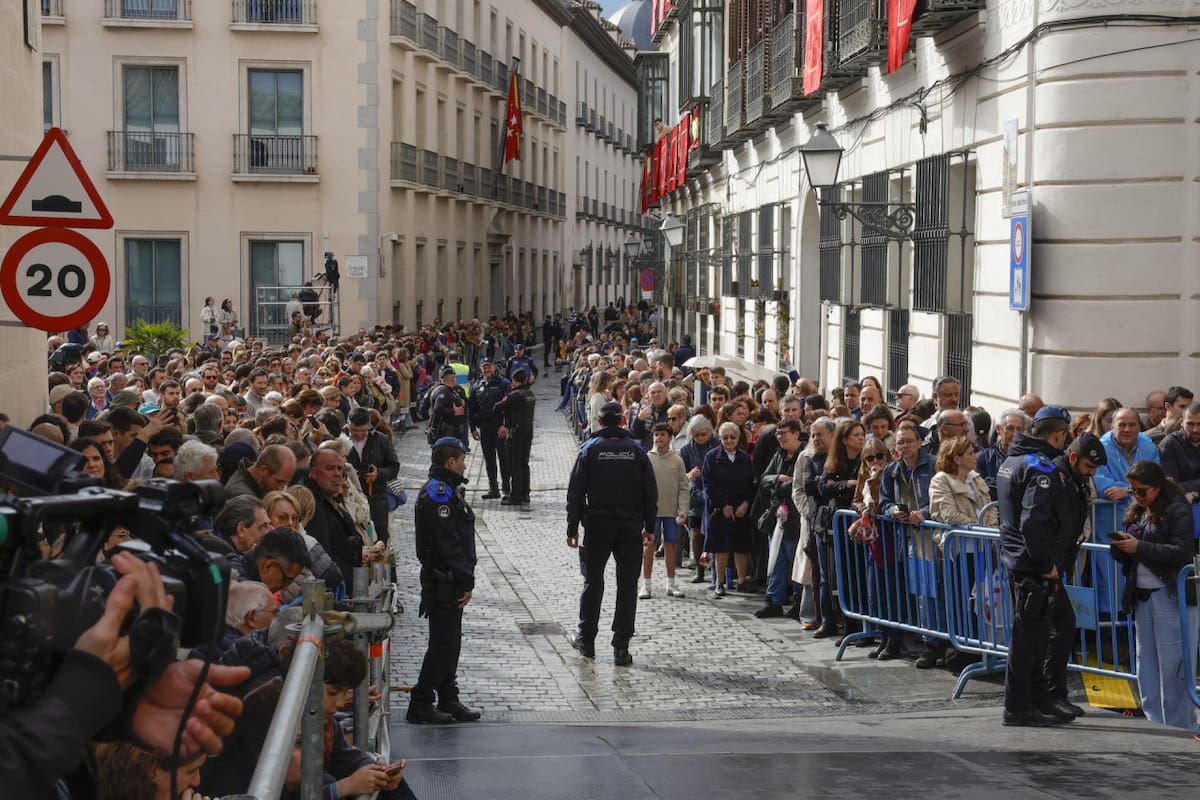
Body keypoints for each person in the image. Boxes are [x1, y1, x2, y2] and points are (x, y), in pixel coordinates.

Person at [997, 407, 1101, 727]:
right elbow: (1032, 524)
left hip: (1021, 561)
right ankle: (1018, 707)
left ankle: (1038, 700)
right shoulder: (1038, 468)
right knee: (1028, 641)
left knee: (1039, 636)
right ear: (1058, 435)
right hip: (1032, 565)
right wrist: (1046, 565)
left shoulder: (1013, 460)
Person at [566, 401, 657, 666]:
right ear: (623, 421)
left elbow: (575, 492)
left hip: (597, 526)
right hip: (630, 527)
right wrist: (649, 527)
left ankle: (587, 640)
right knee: (627, 585)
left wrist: (572, 528)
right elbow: (650, 493)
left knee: (593, 582)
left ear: (600, 421)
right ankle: (621, 646)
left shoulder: (589, 450)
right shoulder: (637, 451)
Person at [1110, 460, 1198, 733]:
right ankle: (1154, 723)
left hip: (1172, 596)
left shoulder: (1177, 508)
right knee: (1145, 662)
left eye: (1142, 491)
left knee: (1173, 663)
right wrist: (1121, 547)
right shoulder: (1138, 510)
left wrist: (1139, 547)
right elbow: (1138, 551)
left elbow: (1181, 552)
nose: (1136, 495)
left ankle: (1178, 725)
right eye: (1132, 490)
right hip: (1144, 595)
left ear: (1158, 487)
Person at [407, 437, 480, 724]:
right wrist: (465, 580)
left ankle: (448, 697)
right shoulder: (439, 495)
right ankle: (421, 700)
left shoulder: (448, 490)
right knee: (443, 644)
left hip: (450, 578)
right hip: (444, 579)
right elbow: (448, 543)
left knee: (451, 643)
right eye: (462, 461)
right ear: (451, 462)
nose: (464, 466)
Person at [702, 421, 757, 598]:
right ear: (720, 438)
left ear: (738, 438)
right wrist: (723, 505)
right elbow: (708, 484)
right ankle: (720, 582)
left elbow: (751, 484)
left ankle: (741, 581)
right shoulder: (712, 457)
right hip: (720, 510)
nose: (729, 440)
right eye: (725, 437)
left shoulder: (744, 458)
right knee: (721, 547)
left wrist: (745, 504)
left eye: (732, 437)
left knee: (741, 547)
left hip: (741, 509)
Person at [642, 423, 690, 600]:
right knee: (649, 547)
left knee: (671, 546)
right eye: (656, 434)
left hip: (671, 512)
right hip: (651, 513)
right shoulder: (647, 459)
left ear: (670, 437)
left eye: (662, 434)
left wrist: (683, 509)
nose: (659, 438)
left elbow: (684, 487)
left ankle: (671, 583)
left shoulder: (677, 461)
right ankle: (646, 585)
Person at [344, 407, 400, 541]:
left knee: (380, 541)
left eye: (363, 431)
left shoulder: (381, 440)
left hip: (377, 499)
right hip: (350, 500)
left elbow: (394, 467)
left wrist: (378, 474)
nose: (359, 434)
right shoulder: (340, 439)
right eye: (355, 430)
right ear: (348, 424)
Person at [468, 358, 511, 499]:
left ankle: (506, 488)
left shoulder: (504, 384)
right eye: (484, 368)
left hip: (500, 427)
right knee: (489, 459)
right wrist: (473, 428)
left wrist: (507, 425)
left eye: (489, 367)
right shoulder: (476, 386)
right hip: (485, 427)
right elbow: (472, 408)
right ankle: (493, 488)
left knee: (504, 458)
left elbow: (511, 406)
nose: (486, 370)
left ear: (494, 367)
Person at [494, 369, 535, 507]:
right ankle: (525, 493)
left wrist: (505, 413)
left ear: (514, 381)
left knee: (514, 462)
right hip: (528, 429)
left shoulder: (515, 394)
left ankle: (516, 495)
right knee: (524, 462)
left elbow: (497, 407)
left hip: (516, 431)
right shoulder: (530, 393)